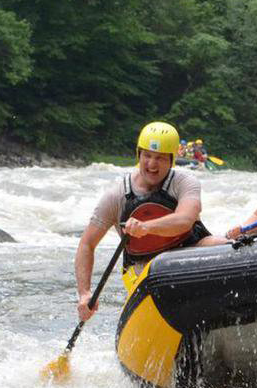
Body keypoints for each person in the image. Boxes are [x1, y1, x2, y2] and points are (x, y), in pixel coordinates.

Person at [73, 121, 218, 321]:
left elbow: (185, 220)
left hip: (189, 249)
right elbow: (87, 244)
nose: (151, 164)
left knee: (226, 245)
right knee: (156, 272)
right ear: (138, 155)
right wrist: (84, 293)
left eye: (159, 158)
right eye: (147, 156)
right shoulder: (116, 195)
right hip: (144, 268)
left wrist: (146, 227)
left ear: (171, 160)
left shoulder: (185, 182)